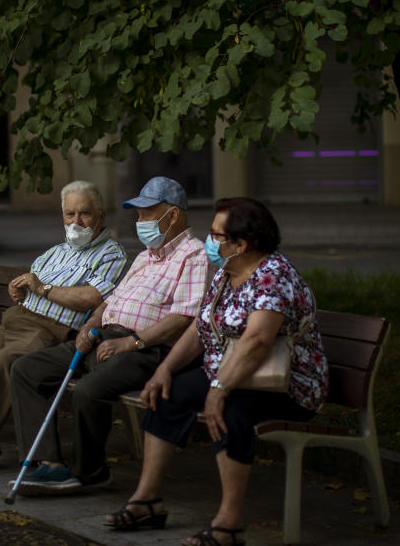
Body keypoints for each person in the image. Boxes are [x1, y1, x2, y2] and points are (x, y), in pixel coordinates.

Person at [105, 197, 329, 546]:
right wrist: (165, 369)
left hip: (288, 385)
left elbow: (256, 341)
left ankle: (230, 523)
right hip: (233, 373)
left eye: (216, 235)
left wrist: (220, 387)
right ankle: (147, 500)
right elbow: (198, 329)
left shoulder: (274, 276)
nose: (210, 240)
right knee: (168, 392)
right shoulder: (228, 273)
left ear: (242, 244)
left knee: (230, 409)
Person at [8, 176, 208, 495]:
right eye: (138, 214)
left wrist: (131, 342)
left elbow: (184, 317)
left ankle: (92, 471)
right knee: (25, 370)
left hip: (147, 347)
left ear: (172, 215)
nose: (139, 221)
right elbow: (110, 301)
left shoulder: (193, 255)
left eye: (146, 214)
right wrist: (90, 327)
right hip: (105, 336)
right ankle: (48, 464)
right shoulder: (145, 256)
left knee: (88, 391)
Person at [0, 180, 127, 473]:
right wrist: (19, 290)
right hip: (14, 323)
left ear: (100, 216)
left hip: (50, 331)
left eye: (84, 213)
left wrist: (42, 288)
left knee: (5, 362)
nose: (76, 221)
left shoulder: (111, 254)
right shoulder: (55, 251)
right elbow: (30, 283)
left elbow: (91, 298)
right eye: (70, 214)